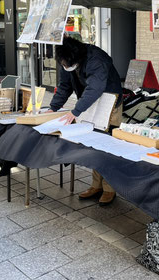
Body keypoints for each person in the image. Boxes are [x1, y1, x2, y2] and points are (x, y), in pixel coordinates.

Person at [49, 36, 123, 206]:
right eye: (63, 64)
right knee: (93, 144)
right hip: (89, 103)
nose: (65, 67)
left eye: (67, 64)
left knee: (107, 146)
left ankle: (109, 188)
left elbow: (95, 87)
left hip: (109, 102)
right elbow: (64, 86)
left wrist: (76, 111)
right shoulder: (66, 60)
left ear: (76, 57)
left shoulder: (96, 59)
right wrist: (53, 108)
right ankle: (96, 185)